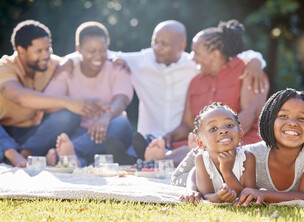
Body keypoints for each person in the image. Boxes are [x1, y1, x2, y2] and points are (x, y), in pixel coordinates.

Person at [110, 20, 268, 161]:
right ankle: (156, 158)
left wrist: (216, 141)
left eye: (197, 53)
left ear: (215, 54)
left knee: (193, 153)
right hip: (202, 142)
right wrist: (167, 137)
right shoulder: (195, 80)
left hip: (242, 141)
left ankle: (156, 159)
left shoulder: (248, 72)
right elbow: (187, 124)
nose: (192, 58)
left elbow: (249, 114)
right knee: (184, 150)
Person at [180, 88, 304, 204]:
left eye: (302, 118)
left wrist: (263, 194)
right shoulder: (252, 155)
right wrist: (192, 190)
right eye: (283, 116)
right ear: (269, 121)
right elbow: (199, 168)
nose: (293, 122)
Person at [0, 20, 108, 168]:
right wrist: (67, 102)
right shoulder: (4, 67)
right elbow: (19, 96)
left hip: (38, 132)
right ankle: (12, 154)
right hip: (6, 131)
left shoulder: (54, 64)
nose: (46, 55)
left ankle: (26, 154)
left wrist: (116, 59)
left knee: (70, 115)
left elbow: (80, 58)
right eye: (39, 51)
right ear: (21, 50)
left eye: (48, 48)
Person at [44, 21, 134, 167]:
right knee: (70, 131)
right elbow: (48, 102)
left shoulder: (118, 68)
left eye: (103, 50)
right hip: (79, 131)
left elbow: (122, 99)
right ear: (79, 49)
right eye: (91, 51)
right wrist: (73, 104)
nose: (98, 56)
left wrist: (106, 117)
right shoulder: (68, 70)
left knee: (121, 124)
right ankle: (77, 160)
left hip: (111, 128)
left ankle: (69, 155)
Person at [184, 102, 256, 203]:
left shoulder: (247, 157)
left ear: (240, 135)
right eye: (213, 128)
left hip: (196, 173)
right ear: (201, 143)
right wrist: (218, 197)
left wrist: (227, 171)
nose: (223, 131)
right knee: (188, 179)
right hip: (187, 172)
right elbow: (205, 195)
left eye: (230, 125)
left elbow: (247, 195)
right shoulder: (201, 159)